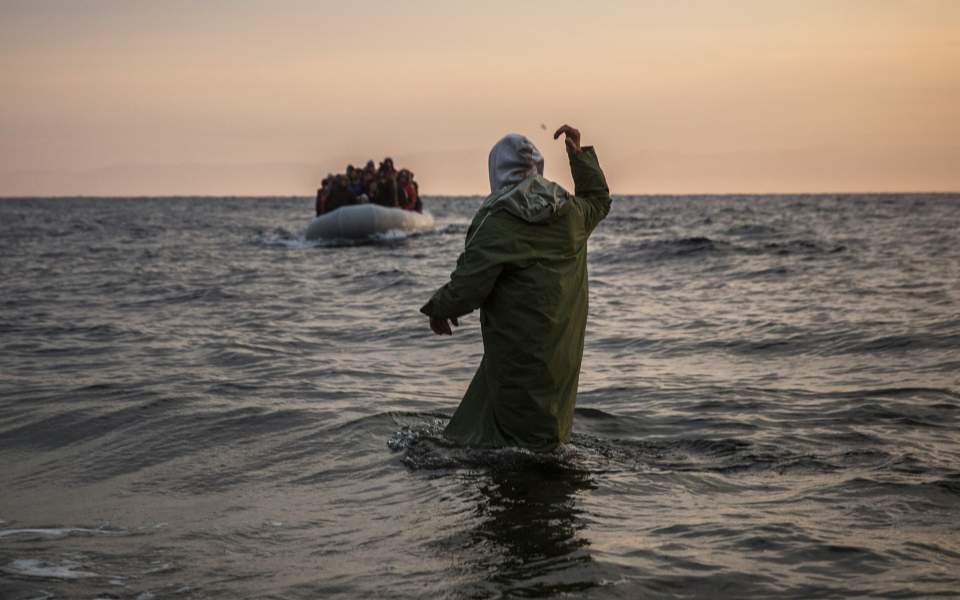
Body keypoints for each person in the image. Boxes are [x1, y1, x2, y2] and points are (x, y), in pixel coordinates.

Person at [419, 125, 610, 451]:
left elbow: (469, 285)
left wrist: (439, 309)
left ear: (496, 171)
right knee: (547, 430)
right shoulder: (570, 214)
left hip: (516, 351)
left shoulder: (496, 219)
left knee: (509, 440)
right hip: (561, 351)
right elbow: (598, 201)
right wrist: (577, 155)